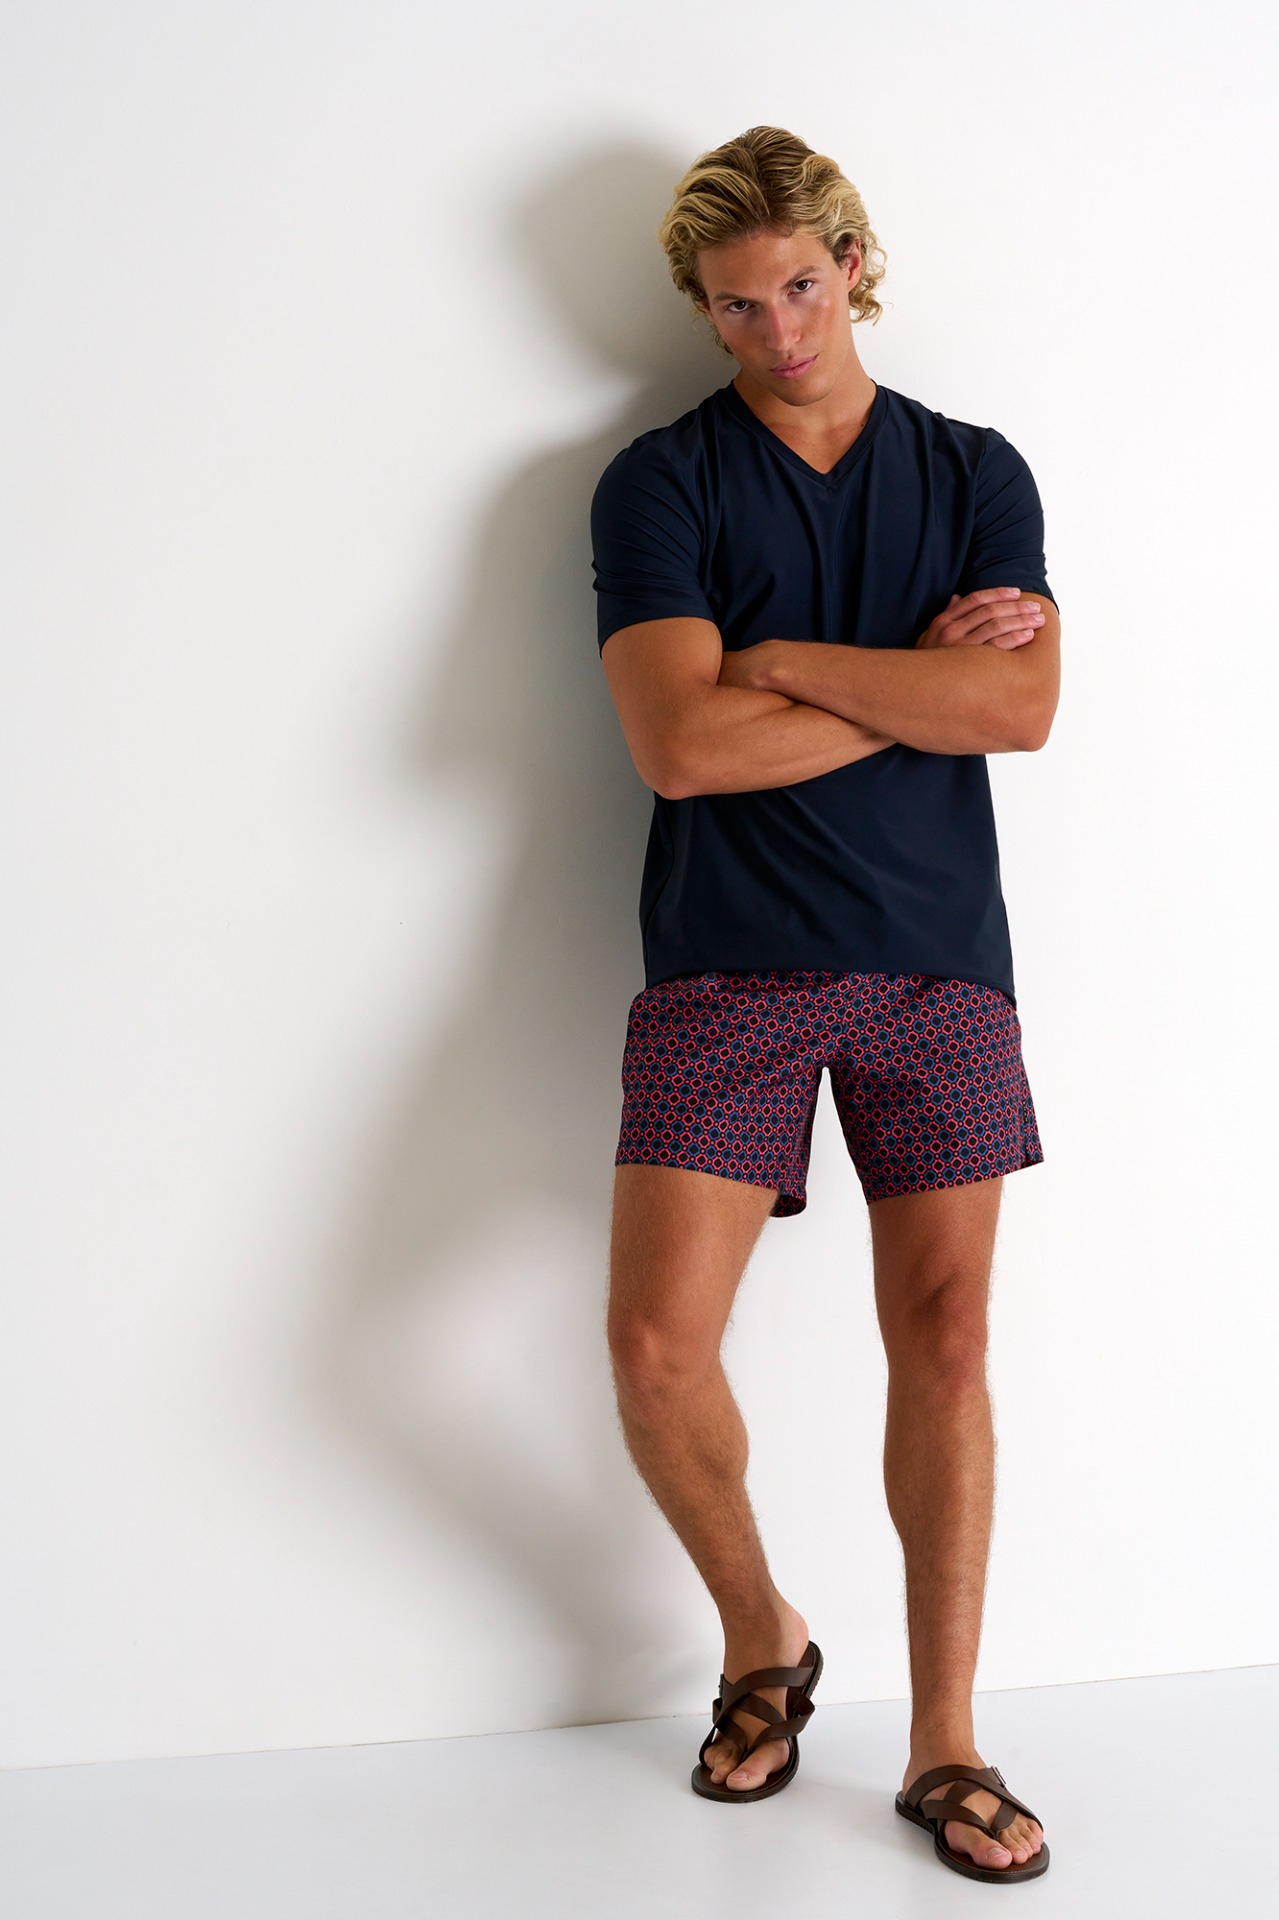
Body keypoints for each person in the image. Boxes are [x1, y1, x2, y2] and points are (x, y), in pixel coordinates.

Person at [589, 125, 1057, 1885]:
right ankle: (762, 1636)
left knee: (948, 1340)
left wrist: (777, 662)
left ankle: (946, 1743)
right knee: (654, 1352)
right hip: (725, 962)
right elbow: (679, 746)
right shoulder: (660, 483)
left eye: (802, 284)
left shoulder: (977, 469)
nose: (779, 329)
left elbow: (1016, 713)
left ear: (852, 263)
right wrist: (908, 680)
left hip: (941, 960)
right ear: (700, 310)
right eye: (737, 304)